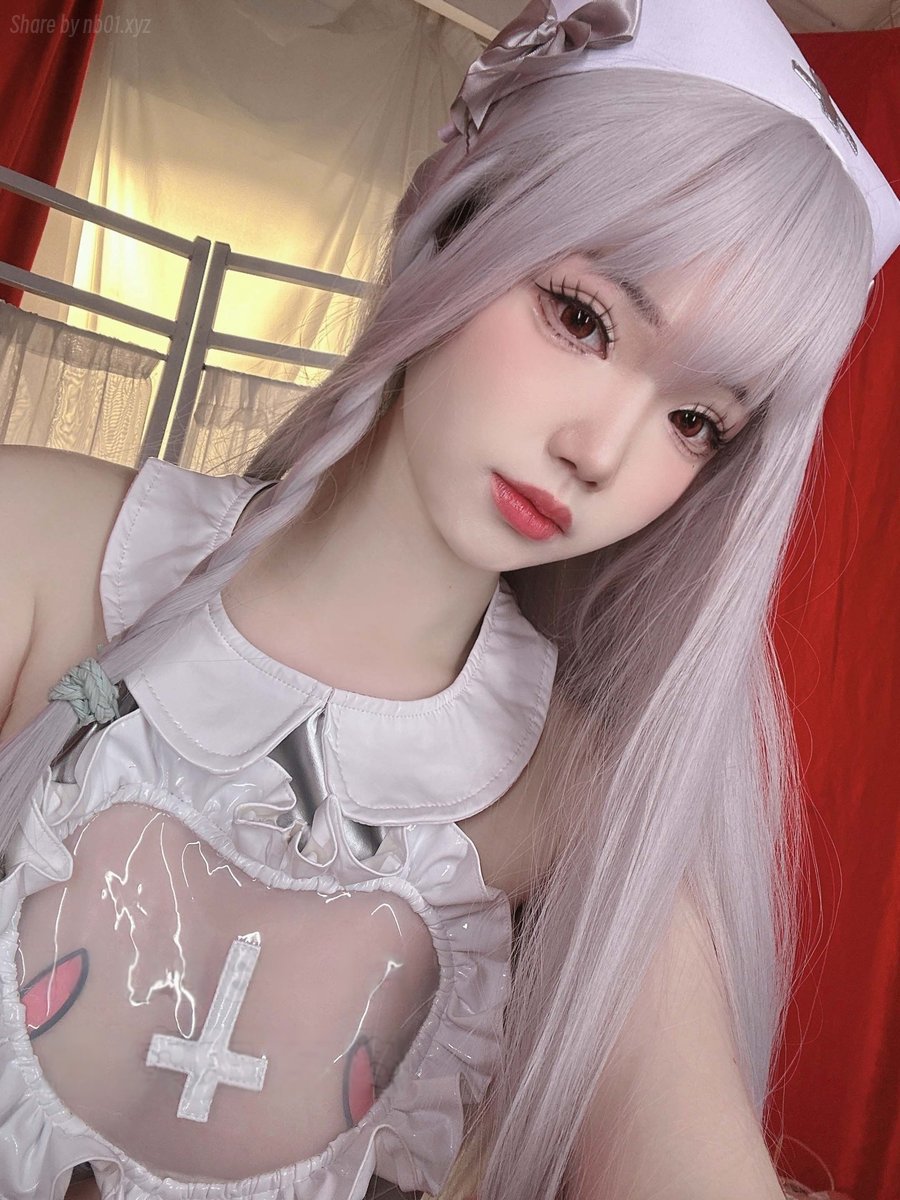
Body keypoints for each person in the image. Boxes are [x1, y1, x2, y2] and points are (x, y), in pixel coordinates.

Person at [0, 1, 897, 1198]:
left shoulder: (587, 814)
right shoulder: (37, 547)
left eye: (696, 420)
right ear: (455, 213)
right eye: (582, 317)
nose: (599, 451)